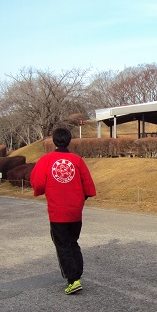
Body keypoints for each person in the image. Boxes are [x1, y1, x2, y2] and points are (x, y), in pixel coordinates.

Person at [30, 126, 96, 295]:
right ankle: (77, 275)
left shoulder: (46, 160)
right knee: (73, 242)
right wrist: (81, 199)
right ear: (69, 140)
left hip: (57, 211)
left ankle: (73, 280)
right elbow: (88, 186)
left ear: (54, 141)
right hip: (75, 211)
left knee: (63, 245)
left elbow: (37, 182)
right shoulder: (77, 160)